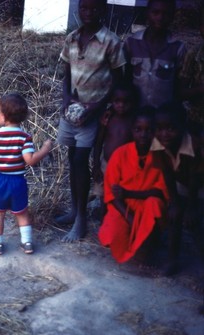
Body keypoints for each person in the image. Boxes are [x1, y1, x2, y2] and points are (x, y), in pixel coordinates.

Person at [56, 0, 125, 242]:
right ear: (78, 10)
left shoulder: (111, 41)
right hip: (72, 111)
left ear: (102, 11)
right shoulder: (72, 38)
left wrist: (96, 107)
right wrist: (66, 100)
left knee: (80, 159)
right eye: (84, 8)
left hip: (94, 113)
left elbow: (118, 80)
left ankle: (81, 219)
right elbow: (66, 75)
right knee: (71, 157)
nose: (88, 12)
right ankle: (74, 209)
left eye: (94, 8)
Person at [0, 93, 53, 255]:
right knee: (22, 212)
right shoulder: (25, 138)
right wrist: (45, 149)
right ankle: (27, 243)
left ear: (2, 117)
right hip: (17, 182)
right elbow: (30, 160)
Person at [98, 107, 168, 265]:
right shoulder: (120, 154)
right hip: (123, 206)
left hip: (146, 205)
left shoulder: (159, 156)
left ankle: (149, 245)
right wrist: (130, 218)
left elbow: (159, 192)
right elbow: (112, 193)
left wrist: (128, 193)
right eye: (138, 130)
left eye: (149, 130)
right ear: (132, 131)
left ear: (155, 132)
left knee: (154, 205)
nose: (143, 135)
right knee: (114, 232)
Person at [150, 101, 203, 275]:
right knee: (174, 216)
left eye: (171, 129)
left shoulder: (195, 144)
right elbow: (167, 172)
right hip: (182, 182)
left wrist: (191, 207)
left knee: (195, 223)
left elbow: (196, 177)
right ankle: (172, 260)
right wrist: (174, 202)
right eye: (159, 128)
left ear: (182, 127)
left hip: (200, 184)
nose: (164, 134)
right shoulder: (157, 144)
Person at [123, 0, 186, 109]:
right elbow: (125, 79)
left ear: (172, 16)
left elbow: (178, 86)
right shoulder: (131, 42)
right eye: (155, 12)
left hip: (162, 116)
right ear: (147, 13)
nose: (160, 18)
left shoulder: (178, 47)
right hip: (136, 113)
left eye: (166, 14)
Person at [92, 82, 139, 217]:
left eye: (126, 102)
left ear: (133, 102)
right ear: (111, 101)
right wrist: (95, 164)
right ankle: (103, 220)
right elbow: (99, 142)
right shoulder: (108, 118)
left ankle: (117, 221)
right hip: (106, 164)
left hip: (125, 167)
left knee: (119, 195)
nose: (121, 105)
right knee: (103, 195)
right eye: (117, 101)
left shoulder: (134, 121)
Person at [179, 5, 204, 126]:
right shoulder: (193, 54)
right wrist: (199, 90)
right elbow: (181, 93)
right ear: (200, 29)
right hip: (197, 119)